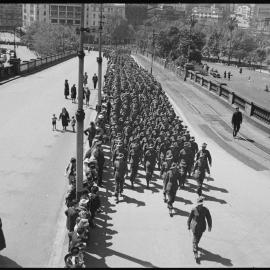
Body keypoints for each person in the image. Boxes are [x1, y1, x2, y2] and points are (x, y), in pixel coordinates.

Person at [187, 197, 212, 263]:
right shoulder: (194, 210)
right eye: (199, 204)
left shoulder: (205, 210)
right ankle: (195, 252)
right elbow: (190, 218)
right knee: (195, 238)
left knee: (198, 238)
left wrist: (210, 226)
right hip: (196, 227)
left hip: (201, 227)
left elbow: (209, 218)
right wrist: (188, 225)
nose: (200, 205)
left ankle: (196, 245)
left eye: (201, 204)